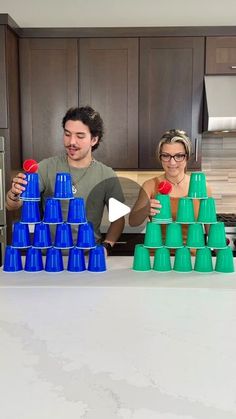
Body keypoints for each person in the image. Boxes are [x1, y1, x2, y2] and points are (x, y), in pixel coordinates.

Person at [6, 106, 125, 255]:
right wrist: (13, 195)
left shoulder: (107, 174)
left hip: (88, 257)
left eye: (80, 136)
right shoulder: (45, 167)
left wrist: (107, 246)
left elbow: (119, 219)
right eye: (67, 134)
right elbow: (13, 205)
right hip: (48, 257)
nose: (71, 142)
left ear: (94, 139)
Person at [129, 129, 212, 247]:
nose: (172, 162)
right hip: (158, 259)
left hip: (192, 261)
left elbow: (212, 233)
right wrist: (145, 210)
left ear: (187, 157)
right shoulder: (150, 185)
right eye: (166, 156)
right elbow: (133, 222)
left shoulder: (203, 187)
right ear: (160, 157)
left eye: (179, 156)